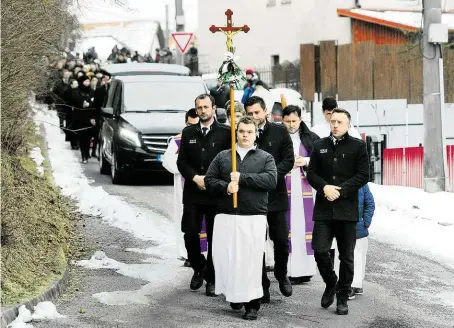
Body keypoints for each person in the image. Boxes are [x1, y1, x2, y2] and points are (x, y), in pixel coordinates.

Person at [205, 116, 277, 320]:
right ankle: (234, 295)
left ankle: (252, 304)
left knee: (251, 261)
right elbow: (209, 180)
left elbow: (271, 180)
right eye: (242, 131)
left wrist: (243, 178)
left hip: (253, 216)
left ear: (256, 134)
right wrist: (226, 187)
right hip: (227, 215)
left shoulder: (265, 157)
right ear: (236, 132)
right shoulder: (223, 157)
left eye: (249, 132)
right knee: (229, 258)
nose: (245, 135)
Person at [306, 108, 369, 315]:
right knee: (320, 250)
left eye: (339, 122)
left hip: (347, 209)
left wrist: (340, 192)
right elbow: (311, 172)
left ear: (348, 125)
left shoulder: (358, 146)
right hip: (324, 208)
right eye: (333, 121)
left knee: (347, 257)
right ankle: (331, 282)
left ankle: (342, 297)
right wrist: (324, 187)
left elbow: (362, 176)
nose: (335, 125)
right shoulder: (319, 145)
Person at [176, 94, 231, 296]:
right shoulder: (188, 131)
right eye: (199, 107)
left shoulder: (226, 133)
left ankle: (212, 277)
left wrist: (214, 180)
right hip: (194, 192)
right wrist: (194, 178)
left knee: (215, 238)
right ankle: (199, 268)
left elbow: (229, 162)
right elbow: (181, 163)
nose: (203, 111)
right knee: (190, 233)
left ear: (213, 108)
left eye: (206, 107)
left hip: (216, 194)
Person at [244, 96, 295, 302]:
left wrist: (271, 175)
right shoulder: (243, 132)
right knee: (256, 242)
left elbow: (288, 160)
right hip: (253, 196)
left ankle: (281, 274)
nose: (254, 117)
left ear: (265, 111)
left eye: (257, 112)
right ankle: (261, 283)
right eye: (250, 113)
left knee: (281, 239)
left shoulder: (279, 131)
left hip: (276, 193)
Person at [281, 105, 319, 285]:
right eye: (287, 121)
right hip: (285, 188)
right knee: (289, 228)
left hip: (306, 189)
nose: (291, 125)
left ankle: (306, 269)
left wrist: (306, 161)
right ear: (282, 120)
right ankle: (290, 269)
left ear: (300, 119)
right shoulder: (279, 138)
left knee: (305, 228)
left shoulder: (311, 138)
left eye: (294, 121)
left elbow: (322, 160)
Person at [162, 108, 199, 266]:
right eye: (189, 125)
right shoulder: (177, 141)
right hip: (184, 188)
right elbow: (168, 161)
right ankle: (187, 254)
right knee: (186, 220)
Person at [334, 184, 375, 299]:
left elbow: (370, 203)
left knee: (359, 256)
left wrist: (365, 222)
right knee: (344, 256)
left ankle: (355, 284)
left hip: (359, 227)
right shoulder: (339, 181)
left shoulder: (363, 185)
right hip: (343, 226)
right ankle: (349, 284)